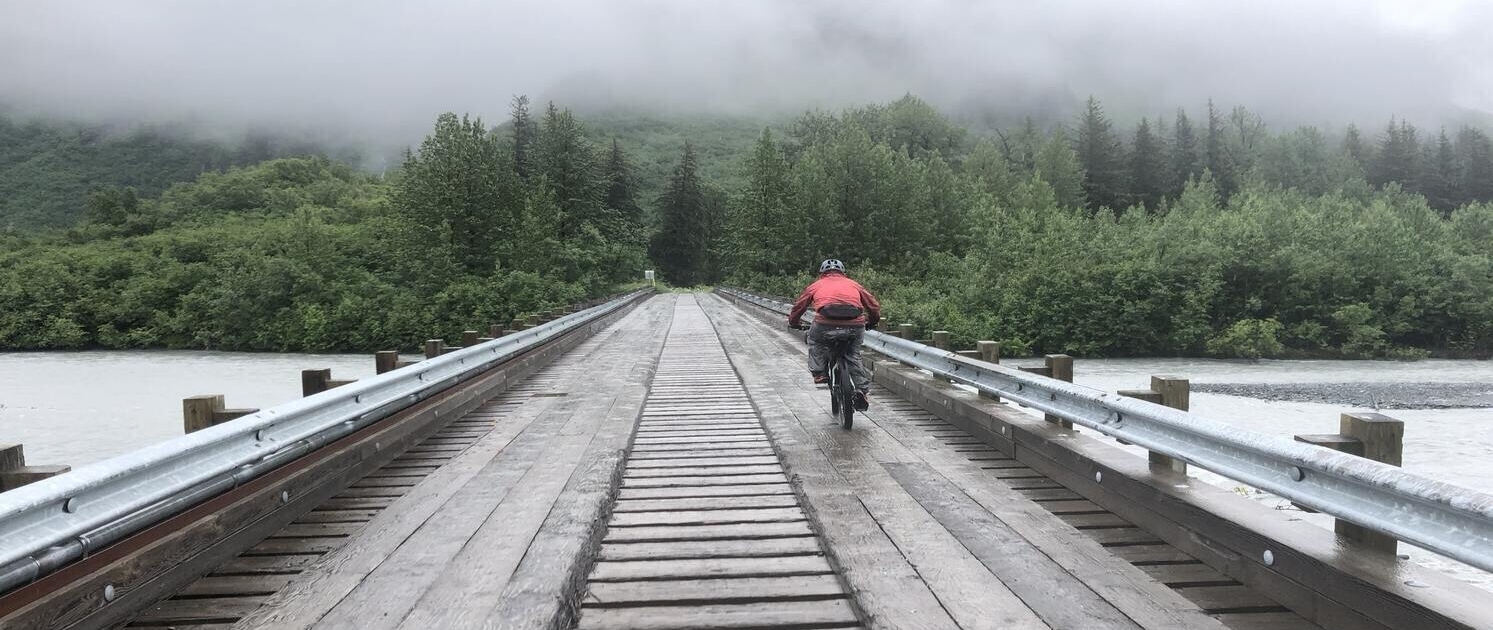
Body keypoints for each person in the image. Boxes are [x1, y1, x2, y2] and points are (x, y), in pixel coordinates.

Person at [787, 259, 881, 411]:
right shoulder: (853, 284)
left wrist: (794, 322)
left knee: (815, 341)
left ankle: (819, 373)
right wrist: (873, 321)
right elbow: (873, 306)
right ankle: (862, 391)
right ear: (843, 273)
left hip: (825, 324)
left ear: (822, 273)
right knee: (853, 354)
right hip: (854, 324)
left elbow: (799, 306)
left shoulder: (816, 285)